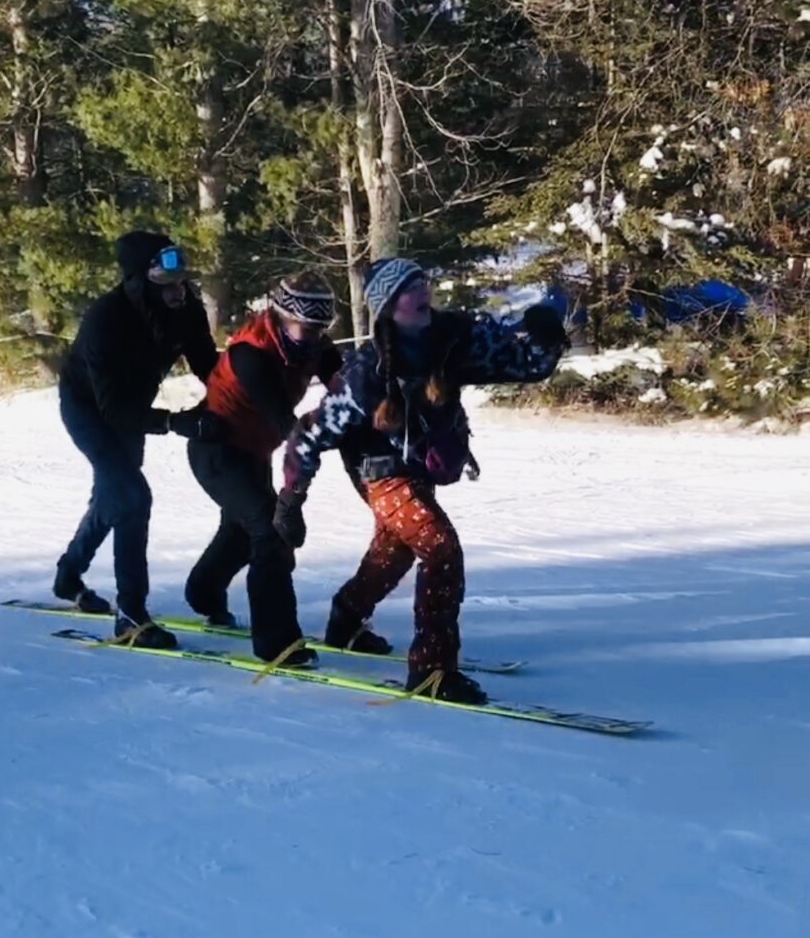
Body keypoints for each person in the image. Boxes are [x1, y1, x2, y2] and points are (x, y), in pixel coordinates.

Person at [276, 258, 569, 703]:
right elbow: (309, 434)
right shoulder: (364, 374)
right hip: (379, 473)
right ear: (390, 306)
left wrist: (547, 336)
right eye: (410, 287)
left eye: (423, 280)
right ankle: (433, 670)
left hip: (420, 468)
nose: (423, 290)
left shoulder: (458, 337)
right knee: (439, 548)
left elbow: (525, 364)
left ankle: (346, 617)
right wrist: (290, 502)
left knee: (393, 552)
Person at [54, 231, 223, 649]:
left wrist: (236, 401)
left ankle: (68, 575)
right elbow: (113, 410)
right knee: (131, 497)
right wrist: (174, 423)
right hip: (90, 410)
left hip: (134, 406)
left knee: (114, 495)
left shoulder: (186, 309)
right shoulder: (105, 320)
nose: (178, 291)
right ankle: (130, 613)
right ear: (138, 280)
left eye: (182, 280)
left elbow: (209, 366)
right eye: (167, 283)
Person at [184, 271, 342, 664]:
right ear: (281, 316)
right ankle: (277, 643)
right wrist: (321, 437)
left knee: (241, 532)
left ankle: (202, 594)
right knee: (269, 532)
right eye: (304, 327)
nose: (311, 336)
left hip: (254, 451)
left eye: (320, 329)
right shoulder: (250, 353)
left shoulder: (315, 344)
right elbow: (281, 418)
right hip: (216, 449)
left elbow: (346, 383)